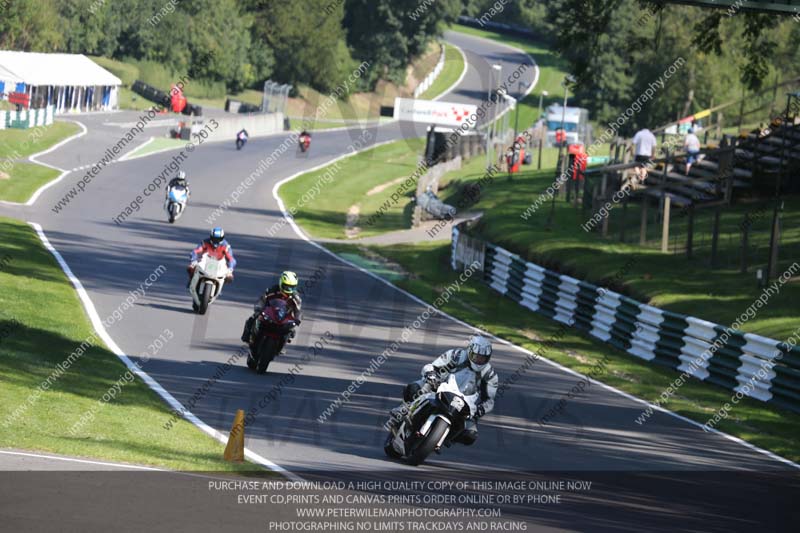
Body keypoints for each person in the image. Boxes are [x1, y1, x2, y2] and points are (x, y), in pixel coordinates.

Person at [389, 335, 498, 446]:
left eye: (483, 358)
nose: (479, 361)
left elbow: (489, 400)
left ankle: (444, 438)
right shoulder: (456, 356)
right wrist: (431, 374)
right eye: (476, 356)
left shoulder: (490, 374)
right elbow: (432, 366)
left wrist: (480, 410)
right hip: (440, 387)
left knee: (470, 435)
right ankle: (403, 409)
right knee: (415, 388)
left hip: (465, 404)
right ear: (469, 352)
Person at [241, 271, 302, 352]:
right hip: (269, 313)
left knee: (291, 331)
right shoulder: (272, 290)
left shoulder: (296, 297)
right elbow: (262, 300)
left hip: (284, 317)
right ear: (281, 283)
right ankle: (247, 337)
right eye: (287, 286)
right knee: (252, 319)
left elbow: (298, 310)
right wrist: (258, 309)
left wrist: (297, 319)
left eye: (292, 287)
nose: (289, 289)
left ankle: (281, 346)